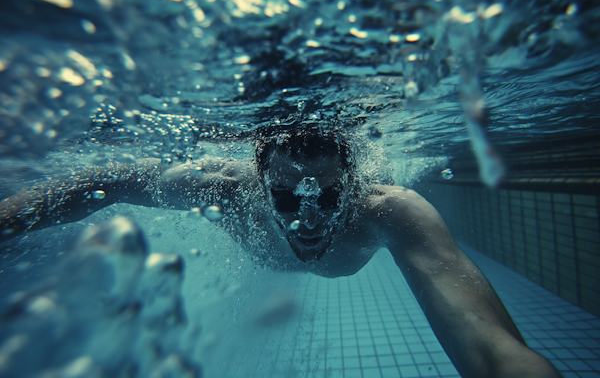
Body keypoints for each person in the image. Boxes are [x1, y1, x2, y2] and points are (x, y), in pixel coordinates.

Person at [0, 126, 560, 378]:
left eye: (329, 195)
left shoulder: (390, 210)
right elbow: (110, 180)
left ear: (355, 181)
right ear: (258, 182)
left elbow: (491, 349)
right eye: (288, 195)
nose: (309, 219)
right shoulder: (222, 186)